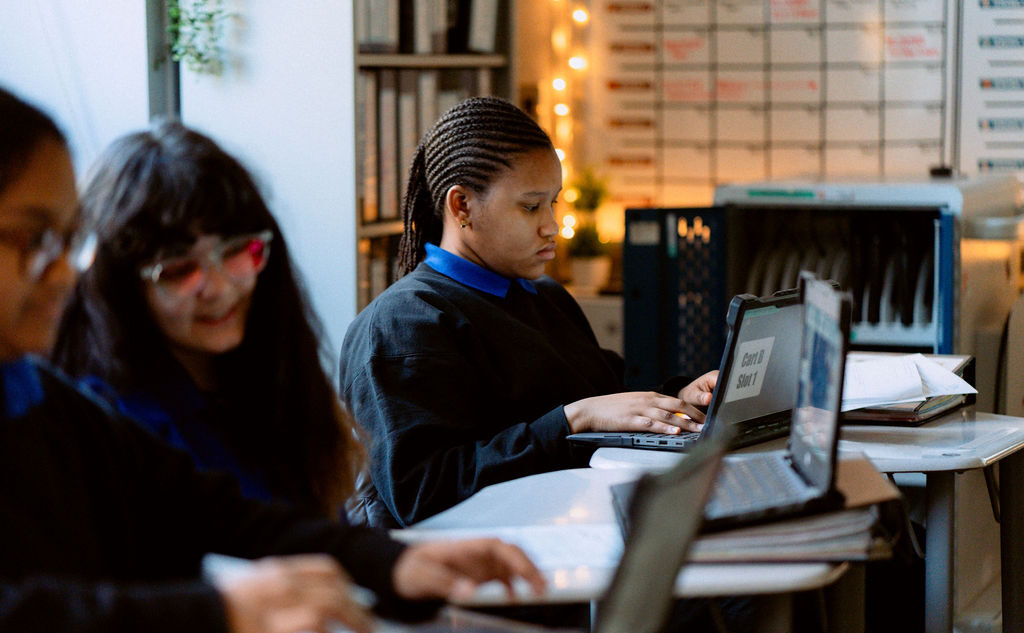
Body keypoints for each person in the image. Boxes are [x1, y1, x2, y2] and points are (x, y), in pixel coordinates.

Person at [0, 85, 544, 633]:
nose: (64, 272)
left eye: (64, 240)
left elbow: (210, 508)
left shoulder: (43, 395)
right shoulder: (97, 395)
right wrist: (222, 610)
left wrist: (394, 560)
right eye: (30, 238)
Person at [340, 96, 718, 527]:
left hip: (580, 536)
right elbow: (424, 493)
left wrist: (678, 401)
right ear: (462, 206)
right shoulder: (402, 325)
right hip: (489, 575)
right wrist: (574, 419)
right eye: (530, 206)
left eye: (552, 203)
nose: (551, 226)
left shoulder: (544, 297)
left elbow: (610, 395)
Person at [53, 121, 359, 518]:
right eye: (179, 269)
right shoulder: (107, 415)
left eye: (235, 251)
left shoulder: (272, 371)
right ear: (120, 288)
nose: (217, 287)